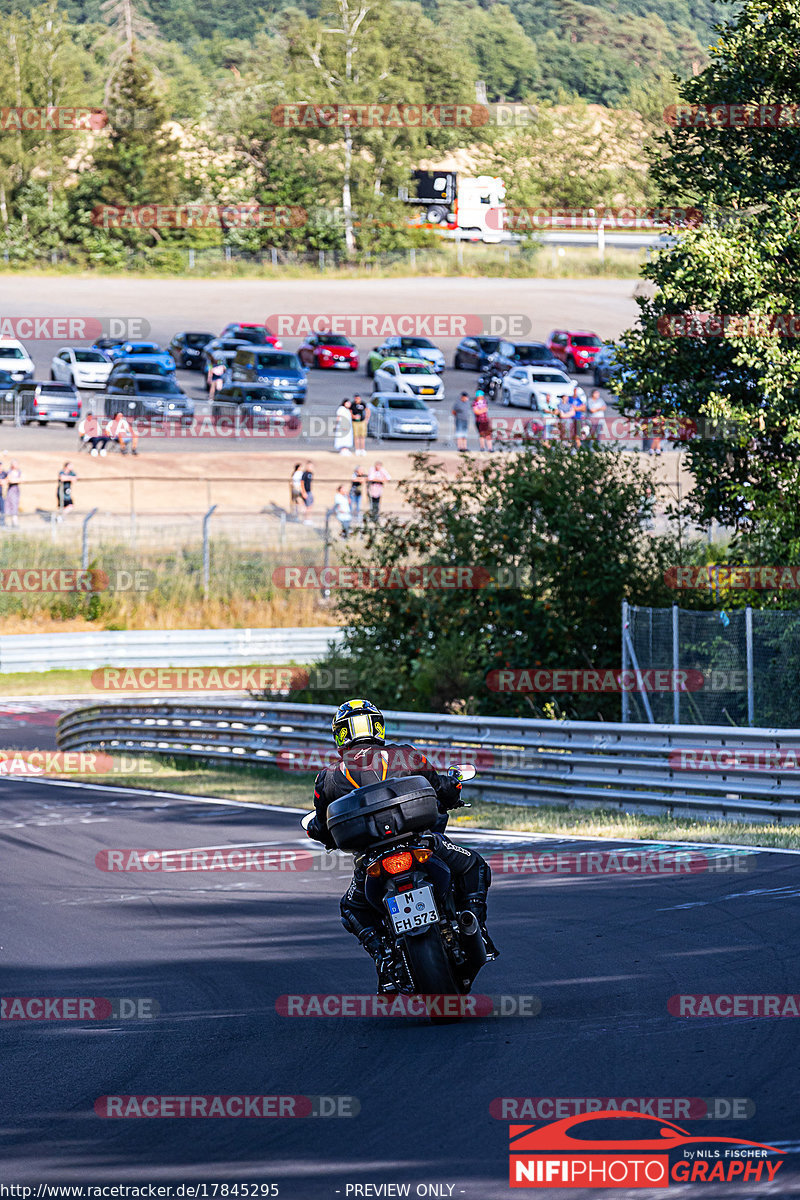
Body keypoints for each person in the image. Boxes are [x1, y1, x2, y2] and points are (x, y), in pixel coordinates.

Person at [305, 699, 497, 991]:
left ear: (341, 734)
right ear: (378, 726)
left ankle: (384, 957)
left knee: (351, 907)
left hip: (373, 860)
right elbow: (440, 787)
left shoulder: (328, 778)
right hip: (423, 843)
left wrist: (319, 833)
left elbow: (322, 826)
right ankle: (476, 927)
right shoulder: (405, 755)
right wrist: (454, 787)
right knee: (474, 864)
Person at [5, 460, 21, 527]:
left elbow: (21, 480)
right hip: (11, 490)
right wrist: (15, 480)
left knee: (15, 505)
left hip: (16, 490)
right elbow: (9, 480)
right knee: (9, 505)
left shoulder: (19, 472)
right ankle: (8, 521)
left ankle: (14, 521)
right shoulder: (9, 472)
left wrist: (15, 480)